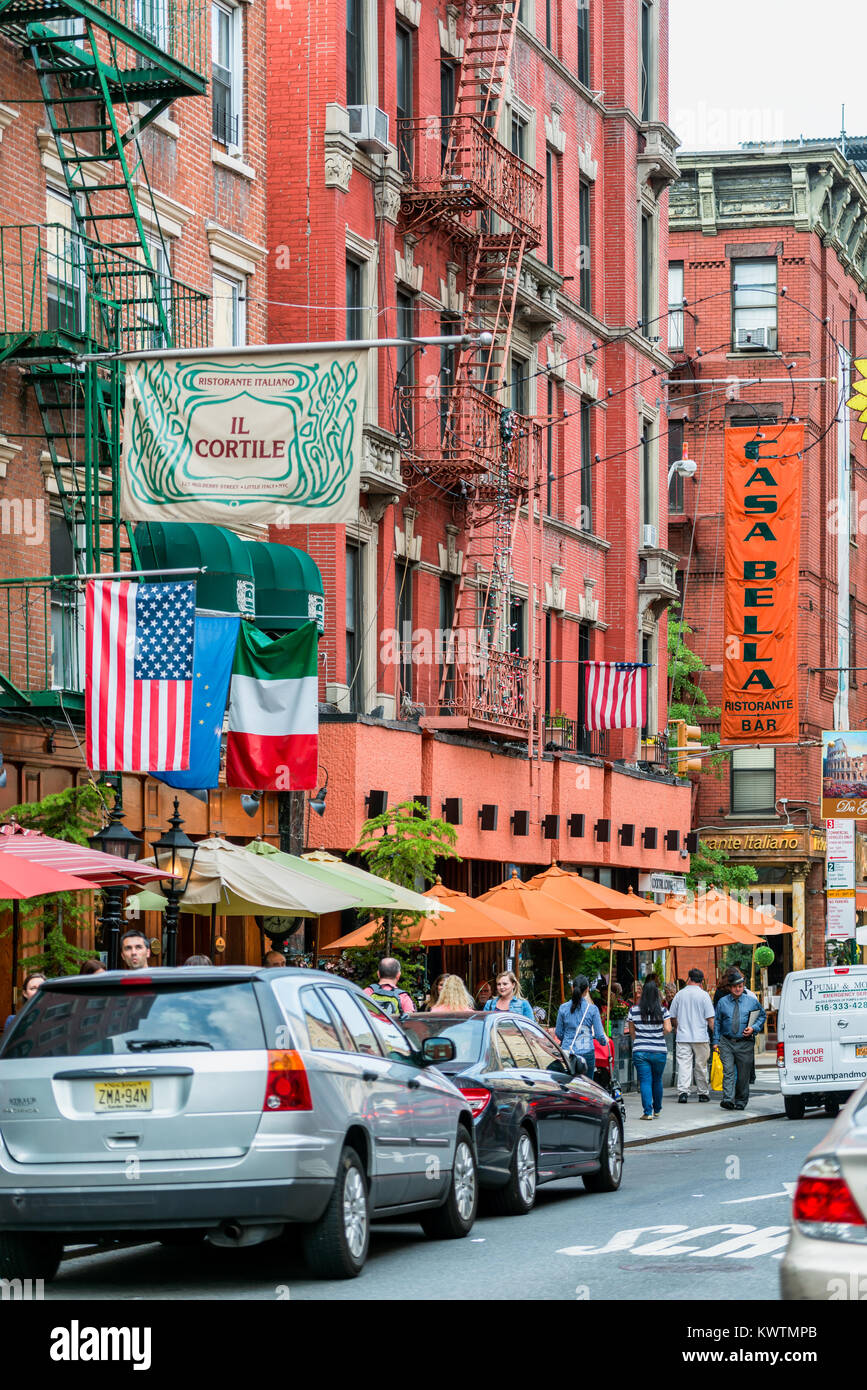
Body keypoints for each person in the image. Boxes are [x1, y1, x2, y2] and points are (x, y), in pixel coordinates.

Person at [713, 968, 766, 1111]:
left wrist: (754, 1028)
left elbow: (762, 1016)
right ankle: (728, 1099)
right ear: (730, 988)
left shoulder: (751, 1001)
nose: (738, 989)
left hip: (745, 1043)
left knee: (743, 1075)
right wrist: (716, 1041)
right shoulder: (723, 1002)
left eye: (740, 986)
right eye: (735, 986)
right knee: (728, 1071)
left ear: (743, 986)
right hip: (727, 1042)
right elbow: (717, 1021)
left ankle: (741, 1100)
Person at [627, 976, 672, 1119]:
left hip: (640, 1051)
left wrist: (641, 1038)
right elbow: (668, 1029)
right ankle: (657, 1109)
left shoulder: (633, 1010)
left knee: (645, 1081)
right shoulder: (663, 1011)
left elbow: (632, 1032)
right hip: (659, 1051)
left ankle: (647, 1112)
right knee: (657, 1080)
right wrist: (658, 1034)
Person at [669, 967, 716, 1104]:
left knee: (684, 1065)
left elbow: (673, 1016)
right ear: (701, 981)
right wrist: (716, 1036)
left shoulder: (679, 995)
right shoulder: (704, 995)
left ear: (688, 978)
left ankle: (683, 1092)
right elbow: (710, 1019)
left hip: (683, 1036)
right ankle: (702, 1092)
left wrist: (677, 1027)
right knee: (701, 1065)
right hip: (701, 1036)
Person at [555, 975, 607, 1081]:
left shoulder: (563, 1008)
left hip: (567, 1053)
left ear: (572, 988)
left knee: (568, 1085)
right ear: (587, 990)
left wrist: (567, 1040)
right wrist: (604, 1042)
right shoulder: (592, 1010)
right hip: (587, 1053)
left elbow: (559, 1032)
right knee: (587, 1087)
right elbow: (599, 1035)